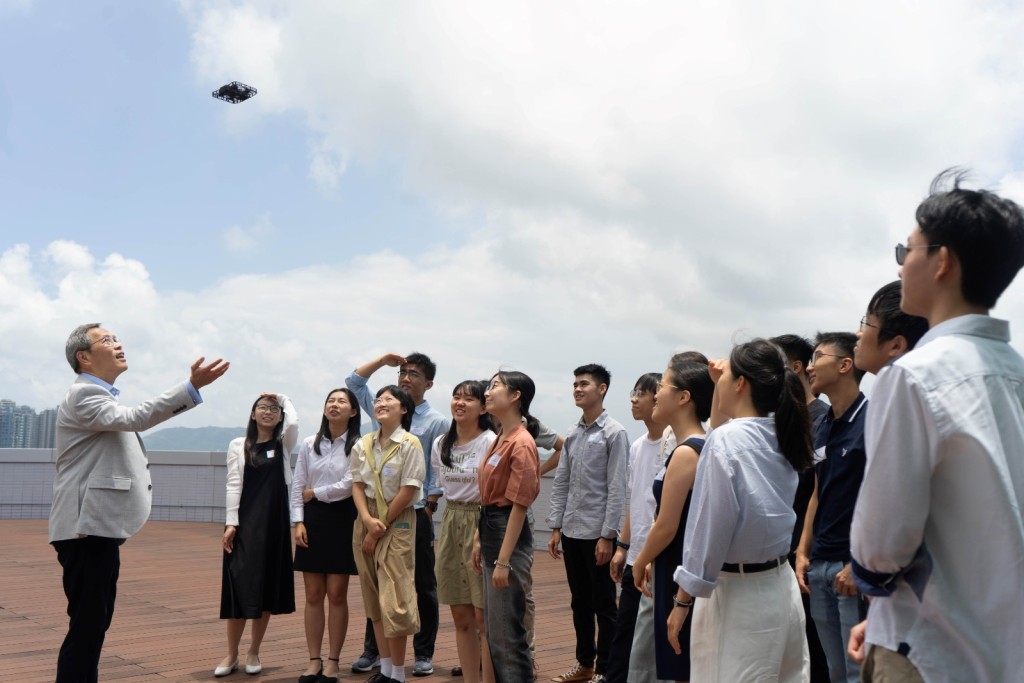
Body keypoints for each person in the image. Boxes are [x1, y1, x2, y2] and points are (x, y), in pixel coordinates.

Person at [849, 171, 1024, 682]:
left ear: (942, 262)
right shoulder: (1015, 371)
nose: (903, 264)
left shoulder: (916, 377)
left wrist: (882, 603)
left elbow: (882, 547)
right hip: (1000, 647)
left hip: (930, 648)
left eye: (909, 250)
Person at [49, 324, 228, 683]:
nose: (118, 344)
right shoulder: (83, 395)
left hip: (95, 527)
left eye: (116, 339)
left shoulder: (100, 396)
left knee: (93, 624)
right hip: (85, 527)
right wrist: (190, 388)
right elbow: (136, 419)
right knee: (87, 626)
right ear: (83, 357)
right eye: (107, 340)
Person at [669, 340, 814, 682]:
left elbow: (709, 530)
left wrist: (682, 601)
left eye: (726, 374)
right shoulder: (781, 432)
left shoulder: (726, 442)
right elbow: (726, 428)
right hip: (780, 586)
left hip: (736, 594)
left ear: (741, 383)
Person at [843, 280, 927, 680]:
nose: (858, 332)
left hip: (916, 635)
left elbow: (887, 534)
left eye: (867, 322)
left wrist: (869, 577)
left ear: (895, 344)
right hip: (896, 616)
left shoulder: (902, 384)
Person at [347, 353, 448, 677]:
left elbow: (436, 468)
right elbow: (354, 382)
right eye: (403, 372)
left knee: (417, 587)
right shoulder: (371, 433)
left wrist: (431, 503)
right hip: (372, 515)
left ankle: (420, 654)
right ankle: (376, 656)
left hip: (412, 512)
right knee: (375, 589)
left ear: (428, 383)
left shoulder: (435, 422)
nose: (405, 377)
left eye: (413, 373)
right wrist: (382, 361)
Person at [632, 359, 713, 683]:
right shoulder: (687, 447)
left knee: (680, 659)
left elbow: (666, 524)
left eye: (663, 386)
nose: (657, 394)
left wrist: (640, 560)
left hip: (677, 562)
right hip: (673, 561)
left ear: (684, 397)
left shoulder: (687, 452)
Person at [547, 364, 628, 683]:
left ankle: (606, 670)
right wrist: (555, 527)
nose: (577, 389)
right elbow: (562, 481)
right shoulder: (574, 433)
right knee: (578, 601)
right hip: (571, 531)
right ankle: (585, 664)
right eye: (575, 385)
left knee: (604, 604)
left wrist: (608, 536)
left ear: (602, 389)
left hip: (598, 534)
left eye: (584, 384)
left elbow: (617, 486)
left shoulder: (615, 433)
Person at [795, 333, 868, 683]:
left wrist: (861, 564)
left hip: (852, 570)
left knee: (859, 671)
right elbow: (817, 492)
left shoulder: (873, 419)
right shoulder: (821, 426)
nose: (809, 366)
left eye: (817, 357)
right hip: (820, 566)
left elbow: (885, 498)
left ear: (845, 364)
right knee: (833, 671)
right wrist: (803, 551)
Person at [217, 393, 299, 676]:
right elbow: (232, 484)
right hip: (245, 524)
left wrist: (282, 398)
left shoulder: (283, 445)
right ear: (252, 415)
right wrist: (231, 523)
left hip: (274, 525)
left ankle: (254, 652)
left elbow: (293, 423)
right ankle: (231, 655)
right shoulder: (239, 445)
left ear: (279, 416)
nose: (268, 412)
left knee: (264, 587)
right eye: (262, 407)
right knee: (238, 585)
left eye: (274, 409)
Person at [351, 385, 426, 683]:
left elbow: (408, 491)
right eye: (379, 399)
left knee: (395, 598)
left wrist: (377, 526)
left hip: (397, 520)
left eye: (389, 400)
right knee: (373, 597)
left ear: (404, 409)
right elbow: (357, 484)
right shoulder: (364, 443)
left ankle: (398, 674)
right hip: (366, 519)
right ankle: (384, 669)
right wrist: (367, 521)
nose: (381, 403)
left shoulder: (410, 444)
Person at [473, 370, 542, 683]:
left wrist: (503, 560)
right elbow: (488, 499)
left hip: (506, 531)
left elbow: (519, 504)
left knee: (507, 632)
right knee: (495, 629)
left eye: (495, 386)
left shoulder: (522, 443)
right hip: (491, 526)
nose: (488, 392)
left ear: (516, 396)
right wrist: (479, 539)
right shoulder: (501, 436)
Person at [770, 333, 831, 683]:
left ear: (795, 369)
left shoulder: (822, 418)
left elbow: (817, 492)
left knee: (816, 650)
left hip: (805, 554)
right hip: (780, 552)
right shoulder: (778, 420)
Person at [291, 388, 362, 683]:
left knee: (336, 595)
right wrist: (298, 522)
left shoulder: (359, 445)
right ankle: (313, 660)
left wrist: (314, 493)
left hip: (344, 518)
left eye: (341, 401)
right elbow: (297, 486)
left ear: (353, 412)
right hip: (313, 520)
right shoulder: (310, 443)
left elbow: (349, 485)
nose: (335, 405)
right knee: (313, 595)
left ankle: (333, 661)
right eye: (330, 401)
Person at [433, 380, 497, 683]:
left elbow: (493, 492)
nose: (460, 403)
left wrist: (481, 534)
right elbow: (440, 483)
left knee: (483, 615)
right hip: (450, 519)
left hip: (480, 520)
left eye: (469, 399)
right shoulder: (441, 443)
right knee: (460, 614)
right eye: (456, 397)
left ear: (483, 407)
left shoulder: (489, 441)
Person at [604, 373, 666, 683]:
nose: (633, 399)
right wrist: (622, 547)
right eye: (634, 392)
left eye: (641, 392)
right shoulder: (639, 445)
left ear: (660, 397)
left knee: (652, 644)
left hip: (659, 561)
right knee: (623, 633)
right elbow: (634, 501)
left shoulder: (675, 444)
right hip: (635, 558)